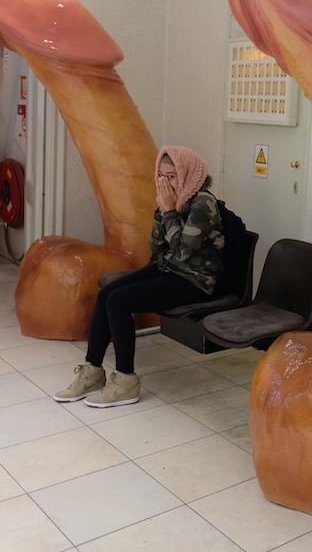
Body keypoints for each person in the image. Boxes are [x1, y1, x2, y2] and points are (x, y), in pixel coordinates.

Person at [53, 145, 224, 407]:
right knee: (106, 294)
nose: (165, 182)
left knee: (118, 301)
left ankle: (126, 381)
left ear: (187, 175)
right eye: (161, 175)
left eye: (171, 176)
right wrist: (162, 211)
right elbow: (156, 246)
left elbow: (182, 252)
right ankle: (93, 371)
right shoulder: (177, 200)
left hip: (194, 279)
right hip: (168, 268)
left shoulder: (203, 203)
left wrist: (169, 211)